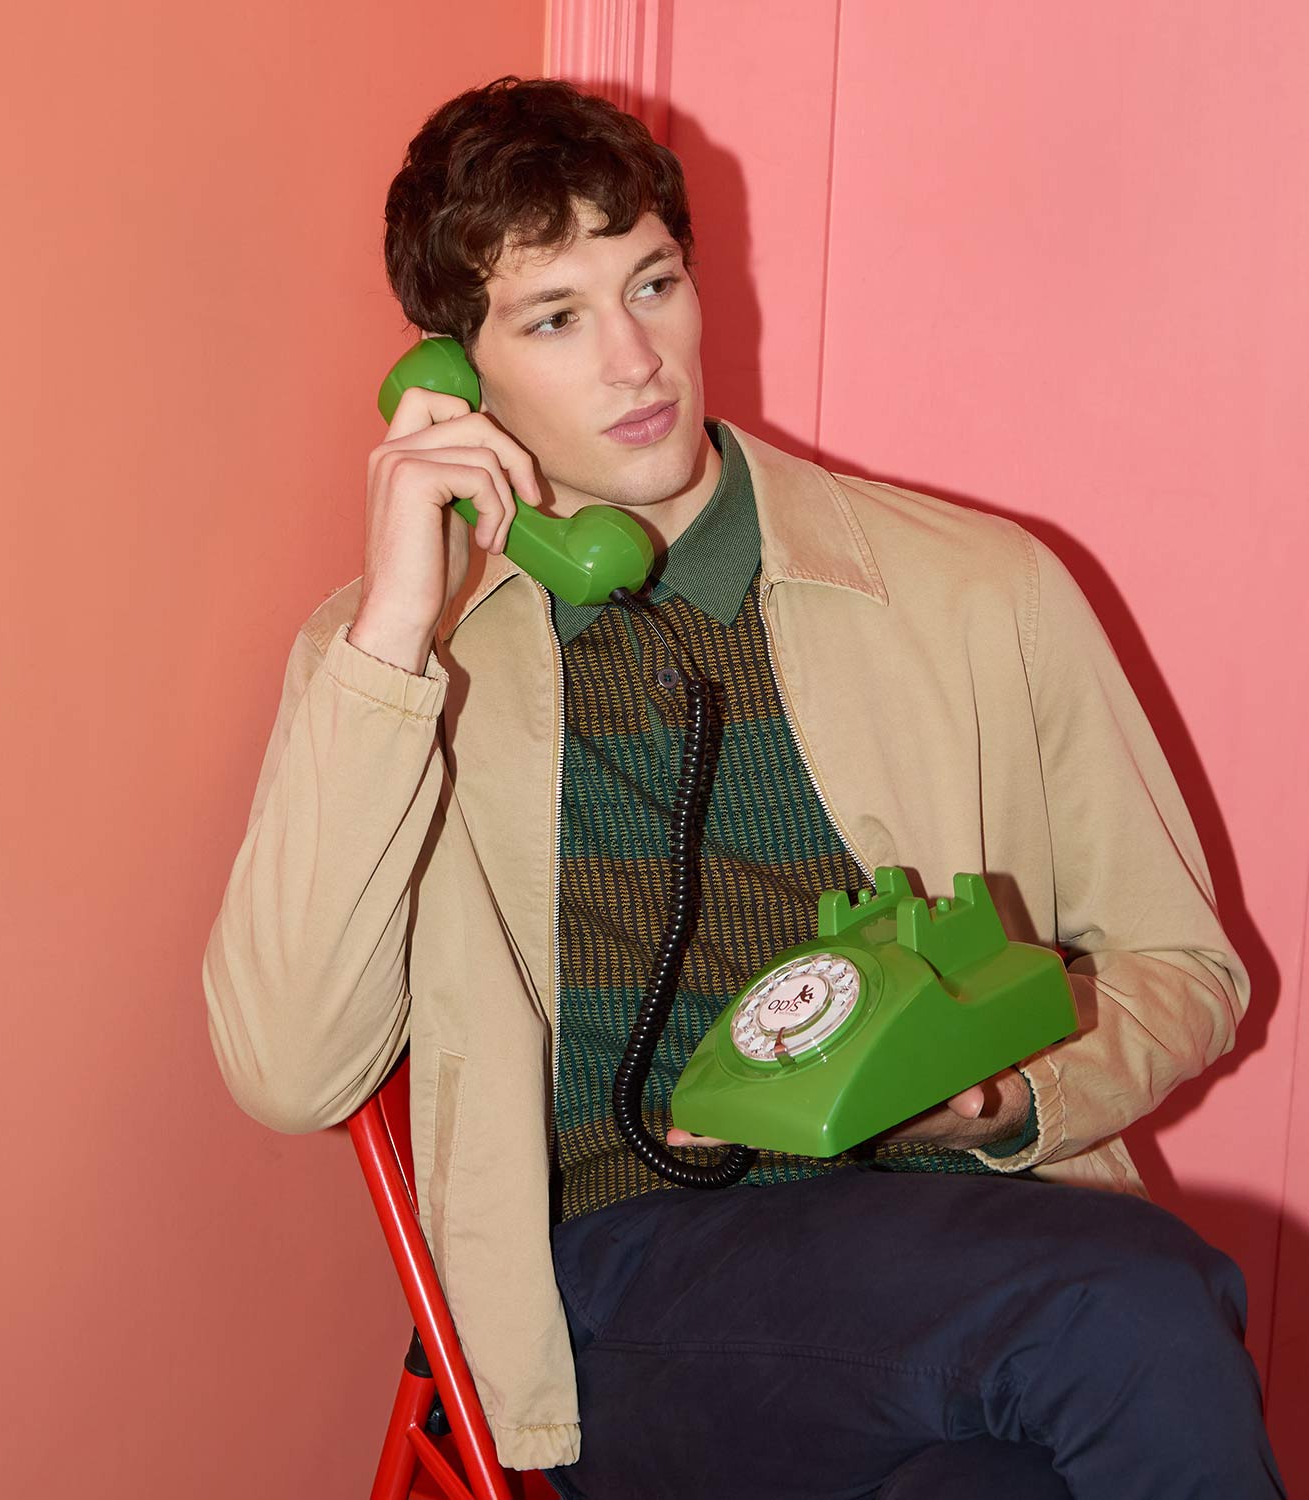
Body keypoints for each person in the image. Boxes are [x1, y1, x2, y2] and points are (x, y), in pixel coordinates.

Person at [203, 76, 1284, 1497]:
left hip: (953, 1234)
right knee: (1129, 1310)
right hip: (636, 1282)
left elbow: (1182, 966)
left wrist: (1003, 1098)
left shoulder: (976, 592)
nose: (637, 359)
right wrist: (400, 632)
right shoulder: (395, 667)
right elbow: (290, 1073)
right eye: (556, 319)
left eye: (653, 283)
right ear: (454, 381)